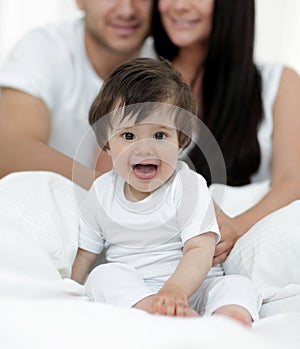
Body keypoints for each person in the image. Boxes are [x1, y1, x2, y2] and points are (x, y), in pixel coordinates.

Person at [71, 57, 261, 326]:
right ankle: (154, 312)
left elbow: (200, 248)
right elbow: (85, 254)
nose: (145, 149)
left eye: (160, 135)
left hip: (194, 289)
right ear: (106, 143)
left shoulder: (187, 185)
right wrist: (68, 287)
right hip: (138, 291)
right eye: (128, 136)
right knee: (104, 275)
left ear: (181, 139)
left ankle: (228, 320)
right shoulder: (101, 193)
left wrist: (176, 291)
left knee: (238, 285)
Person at [152, 0, 300, 264]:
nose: (178, 5)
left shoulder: (278, 83)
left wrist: (233, 228)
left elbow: (292, 181)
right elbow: (110, 181)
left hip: (242, 250)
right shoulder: (138, 84)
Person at [0, 0, 155, 189]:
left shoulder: (168, 64)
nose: (127, 10)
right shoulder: (46, 47)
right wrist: (110, 194)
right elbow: (9, 149)